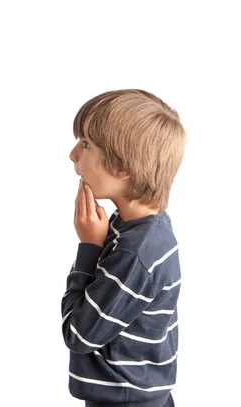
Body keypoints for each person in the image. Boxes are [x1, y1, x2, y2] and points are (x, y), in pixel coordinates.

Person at [62, 89, 185, 407]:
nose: (73, 154)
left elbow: (79, 334)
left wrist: (89, 247)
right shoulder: (137, 226)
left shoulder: (136, 253)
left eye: (86, 144)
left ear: (123, 169)